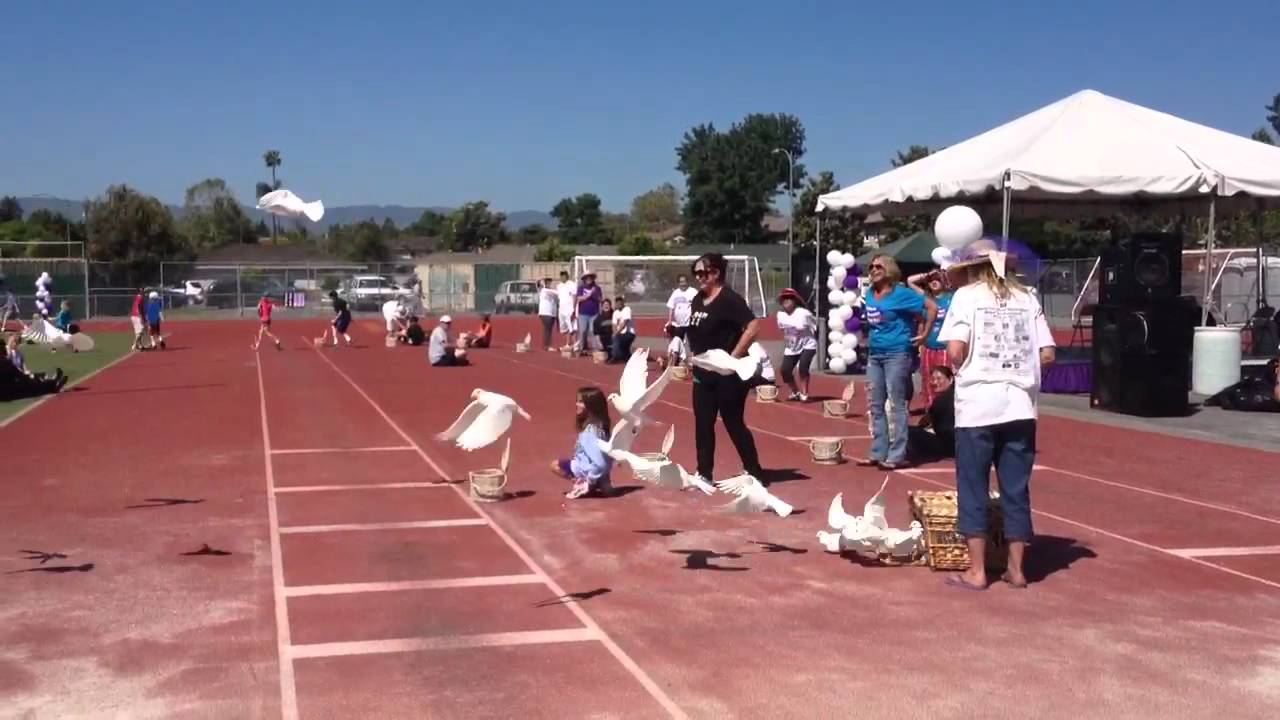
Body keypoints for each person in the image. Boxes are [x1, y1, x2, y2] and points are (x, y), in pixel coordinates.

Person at [937, 242, 1055, 591]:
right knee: (1016, 488)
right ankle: (1017, 570)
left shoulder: (966, 297)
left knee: (973, 485)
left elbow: (956, 349)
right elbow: (1047, 353)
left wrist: (964, 365)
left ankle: (977, 571)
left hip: (977, 405)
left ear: (972, 269)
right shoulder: (1028, 297)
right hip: (1020, 405)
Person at [685, 252, 764, 484]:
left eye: (703, 272)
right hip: (703, 373)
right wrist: (693, 356)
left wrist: (733, 356)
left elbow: (753, 326)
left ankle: (754, 470)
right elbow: (696, 330)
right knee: (703, 424)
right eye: (696, 273)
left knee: (733, 423)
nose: (699, 277)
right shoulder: (697, 299)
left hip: (727, 375)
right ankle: (704, 474)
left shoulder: (730, 299)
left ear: (716, 273)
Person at [858, 255, 936, 471]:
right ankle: (878, 451)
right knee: (875, 405)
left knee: (896, 404)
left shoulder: (902, 293)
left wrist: (924, 335)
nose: (873, 270)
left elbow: (931, 308)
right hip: (875, 355)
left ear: (890, 270)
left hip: (897, 355)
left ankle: (897, 453)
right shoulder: (870, 294)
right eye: (871, 267)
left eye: (879, 266)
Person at [548, 386, 614, 499]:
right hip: (603, 472)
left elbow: (600, 463)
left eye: (581, 402)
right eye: (577, 401)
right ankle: (601, 482)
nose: (576, 404)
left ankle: (582, 482)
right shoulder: (602, 426)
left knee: (554, 465)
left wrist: (590, 480)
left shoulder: (590, 432)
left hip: (588, 470)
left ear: (591, 407)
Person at [909, 269, 954, 407]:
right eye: (931, 280)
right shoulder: (927, 298)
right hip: (928, 347)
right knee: (929, 381)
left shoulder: (952, 298)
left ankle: (947, 411)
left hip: (945, 348)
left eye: (937, 279)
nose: (934, 282)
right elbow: (910, 281)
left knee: (944, 381)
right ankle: (930, 413)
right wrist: (926, 275)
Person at [775, 288, 817, 401]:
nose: (786, 301)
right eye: (784, 298)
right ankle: (795, 392)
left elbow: (815, 325)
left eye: (789, 298)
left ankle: (804, 393)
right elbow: (782, 329)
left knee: (803, 367)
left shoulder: (804, 314)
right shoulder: (780, 315)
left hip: (808, 345)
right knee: (785, 371)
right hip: (792, 347)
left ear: (795, 301)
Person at [908, 366, 956, 461]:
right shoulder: (961, 395)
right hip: (966, 443)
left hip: (949, 446)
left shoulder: (940, 401)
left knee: (909, 431)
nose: (934, 382)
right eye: (933, 379)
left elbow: (924, 423)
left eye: (939, 379)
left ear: (951, 379)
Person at [3, 334, 67, 400]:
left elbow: (24, 367)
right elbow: (8, 366)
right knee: (34, 378)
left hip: (20, 376)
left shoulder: (19, 354)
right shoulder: (6, 352)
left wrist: (27, 371)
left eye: (17, 343)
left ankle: (55, 382)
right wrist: (9, 352)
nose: (16, 344)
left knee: (36, 376)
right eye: (14, 342)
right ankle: (54, 383)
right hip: (11, 377)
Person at [574, 272, 603, 355]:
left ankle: (595, 349)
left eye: (590, 277)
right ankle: (582, 348)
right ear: (584, 279)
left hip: (594, 313)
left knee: (592, 330)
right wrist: (589, 294)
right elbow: (579, 298)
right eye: (587, 278)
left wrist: (595, 294)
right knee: (583, 331)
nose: (589, 279)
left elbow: (600, 299)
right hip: (583, 313)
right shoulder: (581, 288)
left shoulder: (597, 288)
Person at [666, 274, 697, 341]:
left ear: (687, 282)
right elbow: (671, 307)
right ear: (678, 283)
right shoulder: (676, 292)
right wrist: (670, 320)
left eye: (684, 281)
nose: (683, 284)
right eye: (681, 282)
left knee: (692, 343)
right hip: (679, 323)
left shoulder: (693, 291)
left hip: (690, 323)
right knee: (678, 342)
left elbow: (699, 305)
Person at [555, 271, 577, 348]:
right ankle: (568, 343)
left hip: (570, 309)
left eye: (564, 276)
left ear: (567, 276)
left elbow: (574, 296)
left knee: (572, 327)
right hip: (561, 309)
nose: (562, 278)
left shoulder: (572, 284)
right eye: (561, 276)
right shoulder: (559, 286)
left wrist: (573, 308)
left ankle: (575, 344)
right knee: (565, 328)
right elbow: (558, 298)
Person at [610, 295, 635, 363]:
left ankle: (614, 356)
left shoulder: (627, 309)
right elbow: (614, 324)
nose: (618, 305)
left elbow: (624, 323)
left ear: (623, 303)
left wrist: (616, 334)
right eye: (617, 303)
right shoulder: (615, 313)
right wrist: (614, 332)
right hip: (619, 333)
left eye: (620, 303)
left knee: (617, 339)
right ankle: (628, 357)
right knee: (625, 350)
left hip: (629, 334)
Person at [537, 278, 558, 350]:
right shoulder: (544, 290)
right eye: (548, 283)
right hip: (545, 313)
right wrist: (541, 279)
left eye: (550, 282)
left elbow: (555, 300)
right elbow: (538, 283)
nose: (549, 284)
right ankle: (547, 345)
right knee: (547, 329)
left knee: (549, 329)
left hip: (552, 313)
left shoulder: (552, 291)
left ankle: (547, 345)